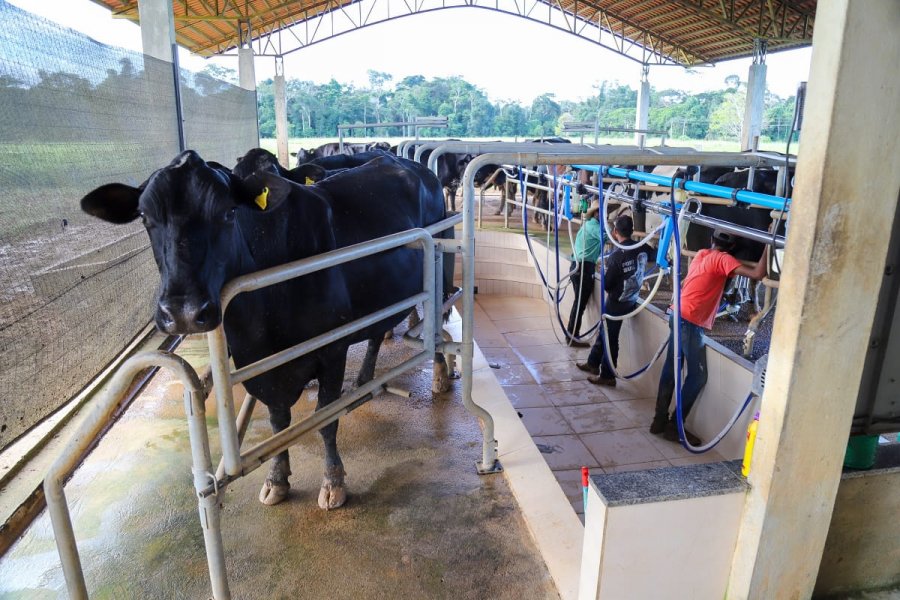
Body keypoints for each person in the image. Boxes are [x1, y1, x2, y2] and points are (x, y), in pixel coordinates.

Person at [651, 230, 768, 445]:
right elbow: (759, 274)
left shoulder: (702, 253)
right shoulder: (723, 259)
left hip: (677, 313)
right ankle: (675, 427)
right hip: (691, 322)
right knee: (697, 376)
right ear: (732, 248)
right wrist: (770, 242)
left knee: (671, 368)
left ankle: (658, 420)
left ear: (712, 241)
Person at [576, 215, 651, 386]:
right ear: (631, 231)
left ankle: (608, 375)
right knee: (605, 331)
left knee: (610, 337)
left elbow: (607, 285)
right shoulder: (642, 247)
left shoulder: (616, 256)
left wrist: (603, 272)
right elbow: (654, 255)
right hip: (631, 299)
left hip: (617, 301)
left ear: (615, 232)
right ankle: (593, 363)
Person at [565, 200, 603, 346]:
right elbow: (614, 238)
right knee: (579, 304)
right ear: (595, 213)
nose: (604, 214)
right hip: (583, 268)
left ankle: (572, 335)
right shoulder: (595, 227)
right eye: (601, 211)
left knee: (579, 303)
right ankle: (572, 337)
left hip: (578, 265)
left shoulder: (588, 225)